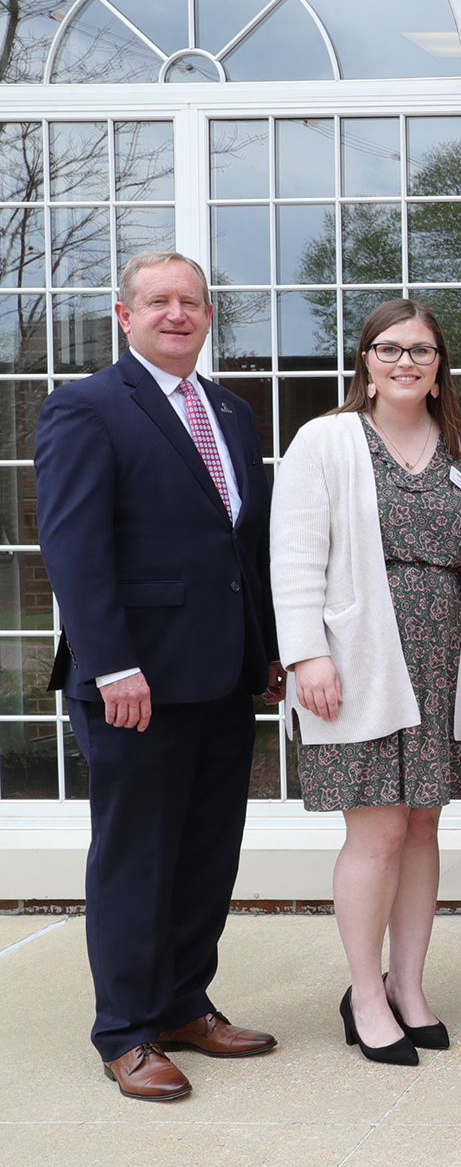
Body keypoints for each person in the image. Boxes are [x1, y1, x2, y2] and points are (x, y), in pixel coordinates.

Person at [36, 250, 285, 1101]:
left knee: (206, 854)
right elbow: (73, 550)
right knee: (136, 859)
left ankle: (184, 1003)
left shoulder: (229, 411)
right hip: (133, 682)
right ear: (124, 313)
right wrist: (112, 664)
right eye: (158, 301)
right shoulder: (87, 407)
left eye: (191, 302)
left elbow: (241, 549)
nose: (177, 313)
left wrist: (269, 650)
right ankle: (128, 1031)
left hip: (222, 675)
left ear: (208, 316)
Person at [273, 299, 461, 1066]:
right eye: (390, 349)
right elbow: (296, 553)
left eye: (423, 352)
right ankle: (364, 993)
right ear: (365, 360)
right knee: (377, 828)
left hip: (443, 660)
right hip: (357, 658)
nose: (407, 363)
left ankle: (410, 984)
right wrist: (306, 654)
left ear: (441, 368)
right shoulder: (326, 441)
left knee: (424, 824)